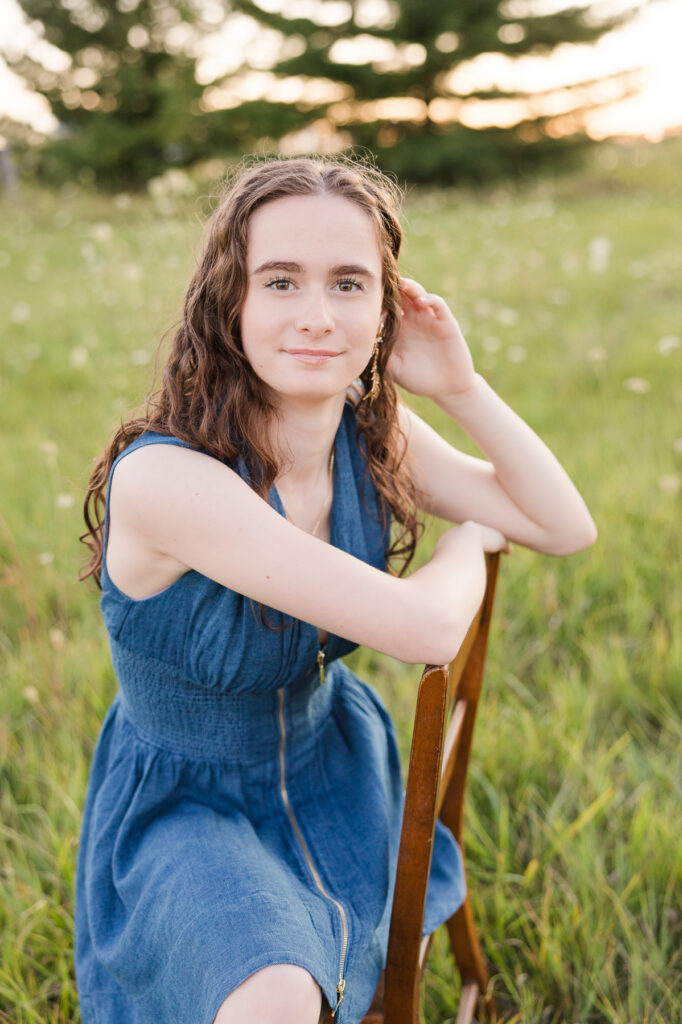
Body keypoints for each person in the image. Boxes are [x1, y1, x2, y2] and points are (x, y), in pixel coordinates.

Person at [75, 155, 596, 1024]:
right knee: (274, 995)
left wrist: (461, 388)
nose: (317, 317)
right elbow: (426, 628)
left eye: (349, 284)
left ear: (385, 307)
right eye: (280, 281)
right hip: (186, 808)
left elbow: (562, 526)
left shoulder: (369, 427)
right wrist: (466, 541)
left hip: (337, 768)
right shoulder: (170, 481)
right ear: (228, 300)